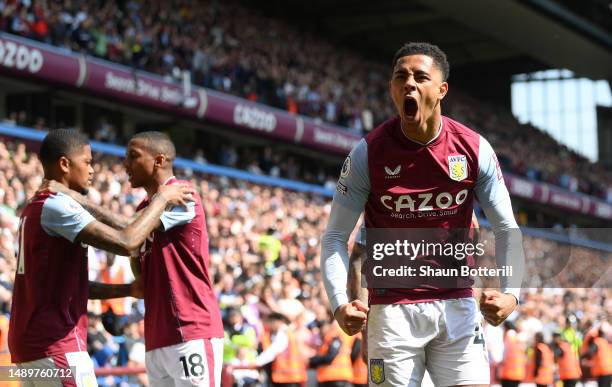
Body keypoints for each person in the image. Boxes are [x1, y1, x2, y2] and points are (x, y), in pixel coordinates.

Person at [321, 42, 525, 386]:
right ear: (392, 89)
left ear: (441, 89)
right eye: (400, 77)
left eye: (420, 77)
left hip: (458, 307)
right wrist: (340, 302)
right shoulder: (367, 154)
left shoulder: (474, 149)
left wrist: (512, 294)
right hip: (390, 314)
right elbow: (336, 238)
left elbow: (507, 229)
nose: (409, 84)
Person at [8, 129, 192, 387]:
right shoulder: (58, 206)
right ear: (64, 164)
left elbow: (73, 288)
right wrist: (162, 199)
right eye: (87, 162)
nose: (92, 170)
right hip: (56, 345)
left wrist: (128, 289)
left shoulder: (34, 206)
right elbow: (127, 241)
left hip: (30, 348)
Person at [125, 131, 224, 387]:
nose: (126, 164)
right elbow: (134, 252)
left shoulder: (182, 195)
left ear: (159, 160)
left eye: (133, 157)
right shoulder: (142, 210)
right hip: (157, 334)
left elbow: (129, 236)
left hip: (191, 328)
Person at [309, 318, 354, 387]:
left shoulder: (333, 337)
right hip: (329, 378)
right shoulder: (326, 340)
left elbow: (330, 357)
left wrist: (312, 361)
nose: (320, 331)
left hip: (336, 378)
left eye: (321, 327)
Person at [499, 321, 526, 387]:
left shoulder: (509, 336)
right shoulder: (518, 338)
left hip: (508, 373)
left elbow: (504, 352)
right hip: (519, 373)